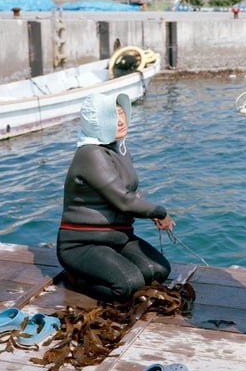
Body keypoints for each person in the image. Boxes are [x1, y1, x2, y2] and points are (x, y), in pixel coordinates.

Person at [56, 92, 174, 303]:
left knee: (158, 270)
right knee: (128, 285)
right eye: (112, 116)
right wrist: (160, 212)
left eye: (121, 113)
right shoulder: (90, 153)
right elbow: (124, 201)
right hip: (83, 244)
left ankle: (107, 268)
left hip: (120, 238)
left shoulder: (120, 150)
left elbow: (132, 192)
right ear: (97, 122)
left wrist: (151, 213)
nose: (120, 121)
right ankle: (75, 277)